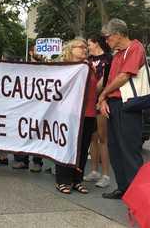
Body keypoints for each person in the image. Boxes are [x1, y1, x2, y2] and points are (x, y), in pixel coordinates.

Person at [98, 18, 145, 199]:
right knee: (115, 147)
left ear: (117, 35)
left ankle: (137, 194)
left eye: (108, 37)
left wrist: (102, 95)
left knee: (129, 150)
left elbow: (124, 76)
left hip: (128, 105)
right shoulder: (117, 54)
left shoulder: (135, 48)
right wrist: (104, 100)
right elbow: (110, 80)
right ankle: (124, 188)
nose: (106, 40)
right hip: (114, 104)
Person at [55, 38, 97, 194]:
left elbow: (94, 88)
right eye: (80, 47)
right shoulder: (64, 67)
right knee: (66, 146)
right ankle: (62, 180)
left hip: (88, 113)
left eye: (86, 47)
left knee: (83, 147)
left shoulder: (89, 66)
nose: (84, 49)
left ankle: (77, 179)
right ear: (70, 49)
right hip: (69, 114)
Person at [84, 35, 112, 188]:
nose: (87, 47)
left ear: (96, 43)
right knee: (92, 138)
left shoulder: (108, 59)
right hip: (89, 103)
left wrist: (99, 96)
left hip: (101, 102)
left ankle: (106, 174)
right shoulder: (87, 60)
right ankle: (94, 171)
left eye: (89, 43)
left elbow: (107, 80)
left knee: (103, 138)